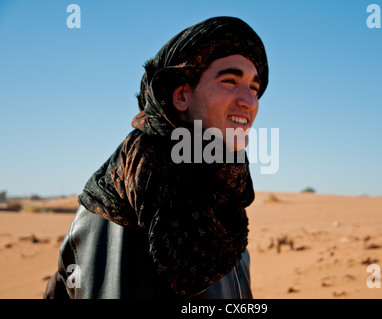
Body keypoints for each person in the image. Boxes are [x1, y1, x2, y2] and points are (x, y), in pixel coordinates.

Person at [43, 16, 269, 299]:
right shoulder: (136, 186)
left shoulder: (220, 187)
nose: (249, 102)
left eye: (254, 88)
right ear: (181, 96)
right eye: (229, 81)